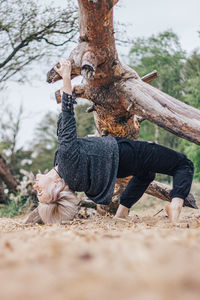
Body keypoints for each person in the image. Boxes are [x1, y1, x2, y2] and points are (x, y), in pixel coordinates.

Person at [33, 59, 195, 225]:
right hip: (124, 153)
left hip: (118, 167)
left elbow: (66, 135)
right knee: (183, 164)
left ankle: (121, 214)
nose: (36, 187)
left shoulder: (68, 174)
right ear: (56, 186)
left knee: (146, 174)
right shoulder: (66, 161)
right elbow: (67, 114)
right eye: (41, 193)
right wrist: (66, 76)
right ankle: (176, 206)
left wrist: (91, 145)